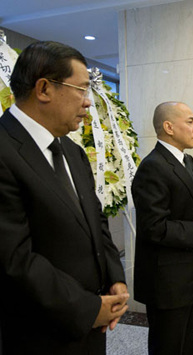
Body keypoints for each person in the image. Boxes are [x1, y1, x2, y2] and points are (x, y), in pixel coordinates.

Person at [0, 41, 129, 355]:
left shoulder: (71, 150)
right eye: (82, 90)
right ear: (44, 89)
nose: (87, 103)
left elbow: (95, 221)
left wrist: (115, 278)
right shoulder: (4, 150)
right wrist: (85, 308)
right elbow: (13, 259)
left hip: (92, 321)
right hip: (38, 331)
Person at [132, 101, 193, 355]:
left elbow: (188, 209)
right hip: (167, 280)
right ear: (169, 127)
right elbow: (153, 227)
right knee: (169, 345)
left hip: (189, 275)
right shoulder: (153, 167)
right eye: (190, 121)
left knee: (187, 343)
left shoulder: (187, 161)